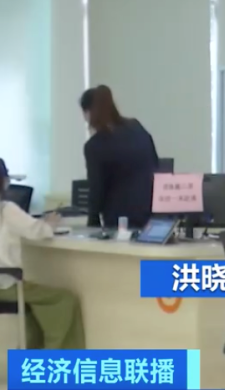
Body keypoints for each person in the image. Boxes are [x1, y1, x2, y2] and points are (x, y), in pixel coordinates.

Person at [0, 158, 86, 349]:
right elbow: (37, 231)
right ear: (4, 181)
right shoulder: (6, 209)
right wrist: (50, 223)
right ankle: (57, 361)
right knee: (64, 300)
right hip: (5, 285)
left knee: (35, 305)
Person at [81, 85, 160, 229]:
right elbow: (155, 164)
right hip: (151, 216)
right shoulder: (137, 127)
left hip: (119, 221)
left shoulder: (94, 146)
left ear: (87, 113)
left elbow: (97, 189)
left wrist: (92, 223)